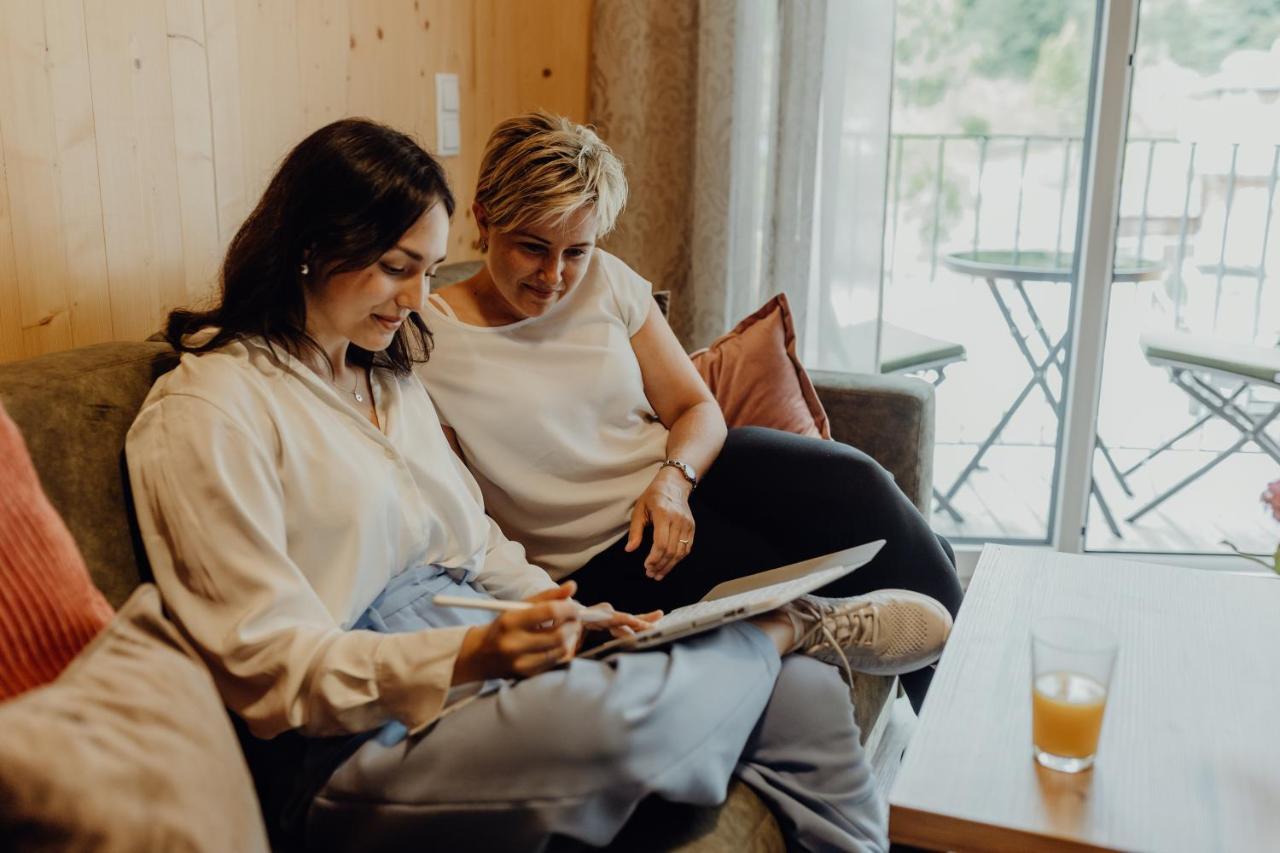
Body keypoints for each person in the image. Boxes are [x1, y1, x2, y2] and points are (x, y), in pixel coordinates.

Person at [125, 118, 951, 852]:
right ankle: (786, 625)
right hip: (354, 741)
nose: (417, 299)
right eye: (394, 268)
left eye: (427, 268)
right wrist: (468, 650)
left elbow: (473, 537)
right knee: (633, 727)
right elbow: (269, 668)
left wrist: (566, 611)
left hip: (482, 647)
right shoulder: (208, 411)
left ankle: (796, 662)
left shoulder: (385, 379)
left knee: (805, 691)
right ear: (310, 244)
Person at [417, 111, 964, 709]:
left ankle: (959, 730)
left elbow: (695, 408)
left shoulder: (607, 280)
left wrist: (673, 483)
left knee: (860, 486)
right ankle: (928, 706)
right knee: (843, 567)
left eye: (576, 249)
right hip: (610, 555)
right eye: (533, 248)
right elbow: (462, 516)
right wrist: (547, 599)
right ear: (483, 220)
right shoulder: (426, 342)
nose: (554, 276)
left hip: (690, 478)